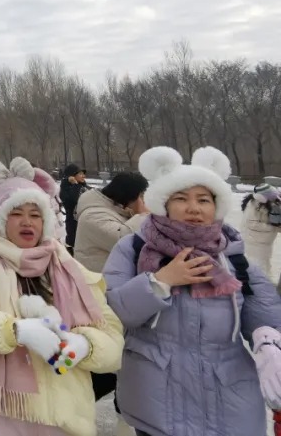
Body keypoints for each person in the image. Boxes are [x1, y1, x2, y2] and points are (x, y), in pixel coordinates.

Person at [104, 146, 281, 436]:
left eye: (203, 199)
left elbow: (262, 307)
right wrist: (160, 281)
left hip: (229, 399)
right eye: (181, 198)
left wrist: (268, 338)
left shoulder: (233, 254)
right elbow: (112, 312)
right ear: (164, 203)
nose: (194, 208)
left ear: (217, 206)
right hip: (157, 400)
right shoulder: (134, 249)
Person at [0, 157, 124, 435]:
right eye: (16, 213)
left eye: (35, 214)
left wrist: (85, 346)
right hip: (1, 415)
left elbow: (112, 337)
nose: (27, 222)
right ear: (0, 220)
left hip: (66, 416)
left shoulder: (71, 269)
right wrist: (15, 330)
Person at [73, 171, 149, 274]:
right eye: (140, 196)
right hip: (97, 282)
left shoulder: (116, 208)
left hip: (110, 277)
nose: (142, 200)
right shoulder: (92, 216)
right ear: (128, 196)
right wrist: (142, 215)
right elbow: (124, 240)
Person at [241, 182, 281, 281]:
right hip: (254, 242)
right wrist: (273, 228)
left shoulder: (272, 203)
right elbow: (252, 224)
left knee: (265, 264)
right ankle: (260, 289)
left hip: (265, 242)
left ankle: (266, 287)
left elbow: (274, 220)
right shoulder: (253, 205)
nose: (274, 197)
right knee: (258, 267)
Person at [60, 164, 88, 253]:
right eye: (80, 174)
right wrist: (75, 185)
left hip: (85, 222)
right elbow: (73, 200)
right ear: (71, 176)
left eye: (83, 173)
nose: (84, 176)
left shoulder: (83, 187)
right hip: (73, 226)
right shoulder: (65, 189)